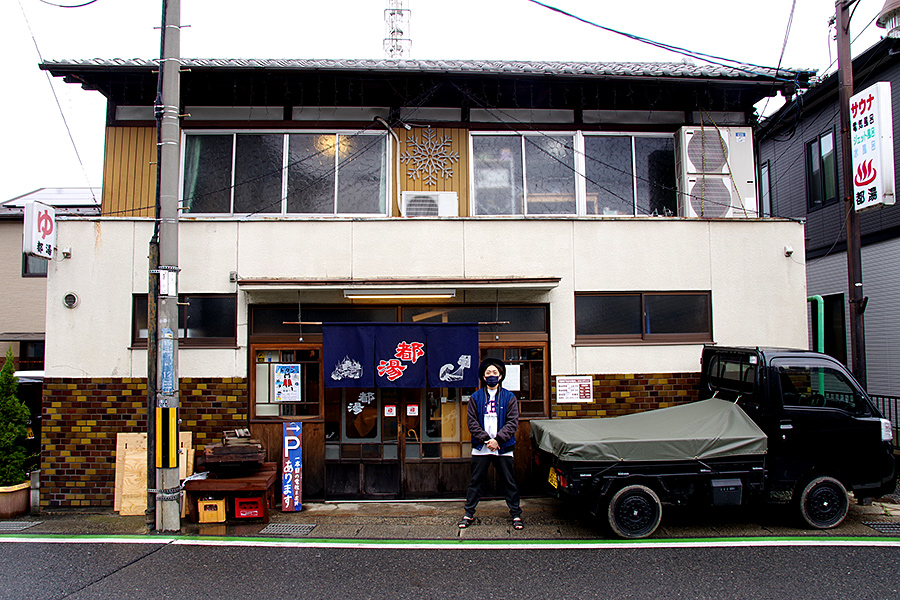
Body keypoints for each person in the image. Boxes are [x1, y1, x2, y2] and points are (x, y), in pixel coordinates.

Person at [458, 357, 523, 530]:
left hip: (503, 447)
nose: (492, 375)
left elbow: (512, 422)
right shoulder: (475, 397)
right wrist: (487, 440)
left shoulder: (509, 397)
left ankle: (516, 514)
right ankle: (468, 513)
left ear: (501, 376)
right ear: (483, 376)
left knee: (509, 482)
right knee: (475, 481)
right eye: (488, 373)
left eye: (495, 372)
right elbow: (472, 422)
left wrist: (498, 440)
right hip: (481, 447)